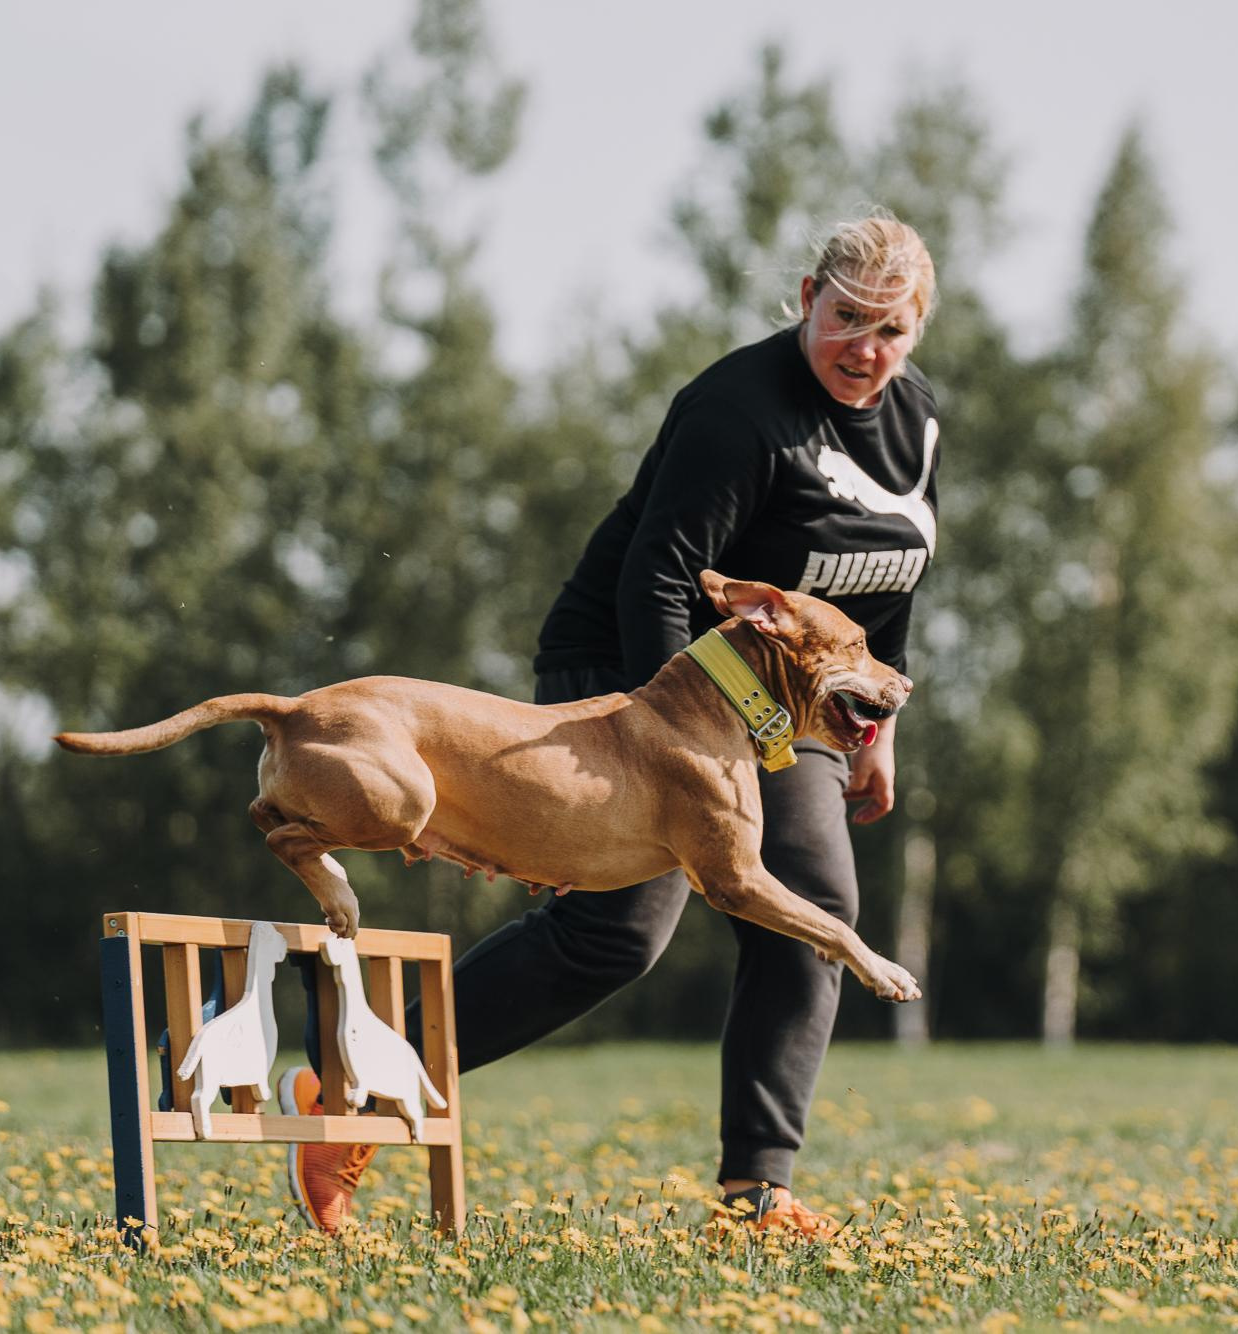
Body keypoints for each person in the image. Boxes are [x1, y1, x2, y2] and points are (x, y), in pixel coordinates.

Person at [278, 213, 941, 1237]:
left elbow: (884, 573)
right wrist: (655, 737)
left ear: (918, 329)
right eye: (846, 317)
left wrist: (876, 725)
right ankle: (344, 1091)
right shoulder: (737, 408)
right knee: (614, 931)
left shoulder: (917, 421)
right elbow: (659, 575)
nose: (866, 347)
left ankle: (757, 1188)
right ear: (807, 296)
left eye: (890, 329)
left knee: (812, 899)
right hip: (638, 659)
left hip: (794, 688)